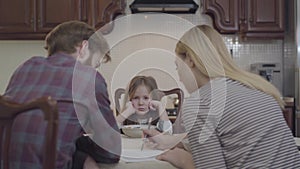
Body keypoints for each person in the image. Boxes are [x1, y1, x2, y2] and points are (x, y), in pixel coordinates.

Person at [143, 25, 300, 169]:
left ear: (190, 60)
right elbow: (230, 136)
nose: (180, 77)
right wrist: (171, 141)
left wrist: (181, 159)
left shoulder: (199, 102)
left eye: (178, 66)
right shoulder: (254, 87)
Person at [4, 21, 121, 169]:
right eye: (95, 63)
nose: (93, 68)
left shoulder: (26, 67)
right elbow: (110, 152)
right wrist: (81, 151)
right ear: (84, 47)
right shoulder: (88, 78)